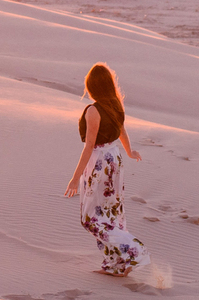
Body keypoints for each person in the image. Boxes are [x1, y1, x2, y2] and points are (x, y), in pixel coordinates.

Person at [64, 62, 151, 277]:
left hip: (100, 161)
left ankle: (135, 251)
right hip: (115, 158)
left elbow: (90, 146)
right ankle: (115, 264)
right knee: (112, 212)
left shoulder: (94, 110)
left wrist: (75, 179)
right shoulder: (115, 105)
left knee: (90, 218)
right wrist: (129, 151)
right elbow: (122, 131)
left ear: (92, 86)